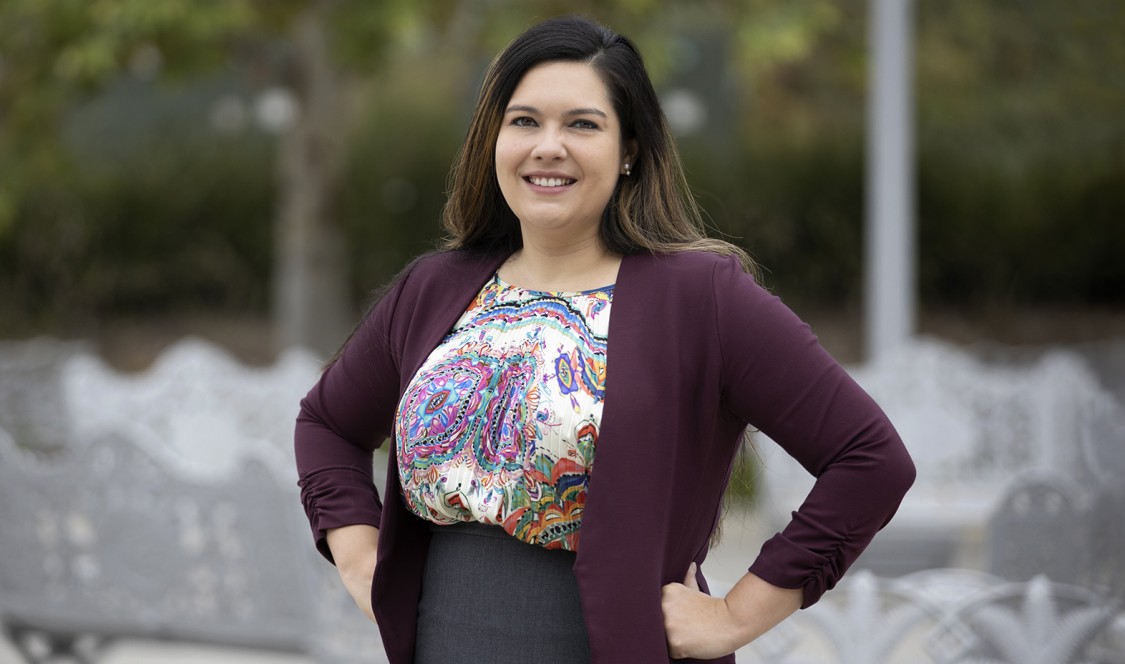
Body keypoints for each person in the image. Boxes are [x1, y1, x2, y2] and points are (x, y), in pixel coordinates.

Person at [295, 14, 915, 664]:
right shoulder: (433, 287)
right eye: (524, 121)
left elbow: (869, 460)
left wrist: (736, 614)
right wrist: (359, 556)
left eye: (582, 124)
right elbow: (327, 423)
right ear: (492, 140)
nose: (547, 146)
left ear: (630, 151)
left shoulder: (700, 296)